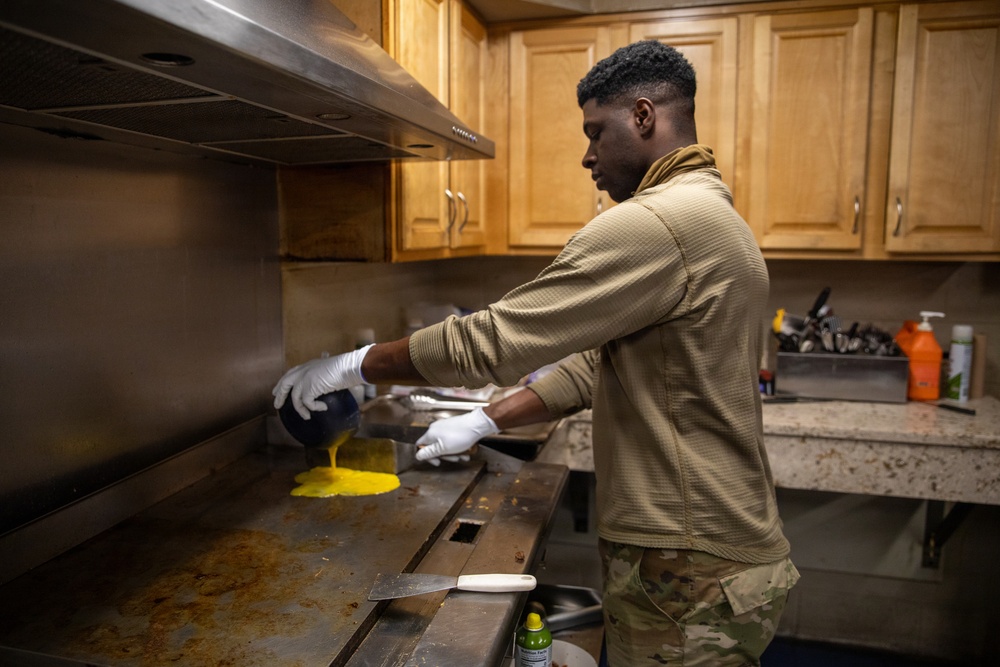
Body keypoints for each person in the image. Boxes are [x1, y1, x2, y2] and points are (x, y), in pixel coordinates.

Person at [273, 40, 798, 666]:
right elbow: (594, 362)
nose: (587, 156)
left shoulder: (660, 224)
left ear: (643, 116)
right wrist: (485, 419)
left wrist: (352, 363)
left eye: (595, 133)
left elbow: (491, 340)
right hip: (705, 552)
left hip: (687, 561)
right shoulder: (708, 212)